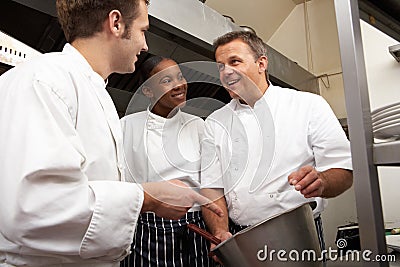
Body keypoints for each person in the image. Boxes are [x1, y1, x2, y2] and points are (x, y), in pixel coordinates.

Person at [0, 1, 222, 266]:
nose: (145, 45)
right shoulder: (44, 81)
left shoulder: (95, 91)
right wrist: (148, 198)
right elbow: (36, 208)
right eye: (142, 30)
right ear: (116, 23)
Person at [200, 31, 353, 261]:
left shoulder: (307, 105)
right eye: (220, 66)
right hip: (242, 237)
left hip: (299, 234)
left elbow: (344, 171)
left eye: (235, 62)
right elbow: (211, 188)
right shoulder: (214, 122)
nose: (226, 72)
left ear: (261, 63)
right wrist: (220, 231)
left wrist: (322, 181)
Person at [120, 56, 214, 267]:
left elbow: (210, 181)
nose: (179, 84)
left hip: (194, 226)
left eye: (180, 76)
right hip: (146, 227)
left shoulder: (198, 125)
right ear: (147, 90)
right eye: (166, 80)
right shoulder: (126, 127)